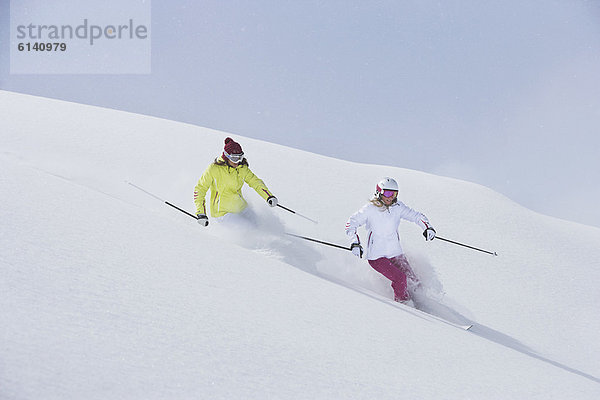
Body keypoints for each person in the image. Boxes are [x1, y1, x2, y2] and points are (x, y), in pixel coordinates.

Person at [345, 177, 436, 304]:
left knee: (414, 281)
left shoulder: (398, 207)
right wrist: (355, 243)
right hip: (377, 257)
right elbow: (351, 223)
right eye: (387, 193)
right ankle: (403, 304)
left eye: (394, 193)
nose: (390, 197)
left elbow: (416, 216)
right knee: (400, 278)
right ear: (379, 192)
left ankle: (422, 304)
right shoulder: (370, 209)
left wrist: (427, 227)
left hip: (395, 253)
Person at [194, 137, 278, 226]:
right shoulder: (214, 169)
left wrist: (268, 196)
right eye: (234, 158)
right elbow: (200, 189)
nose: (237, 162)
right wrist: (201, 213)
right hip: (223, 213)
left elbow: (255, 182)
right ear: (226, 156)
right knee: (247, 229)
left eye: (240, 157)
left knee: (259, 224)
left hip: (240, 207)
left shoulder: (241, 169)